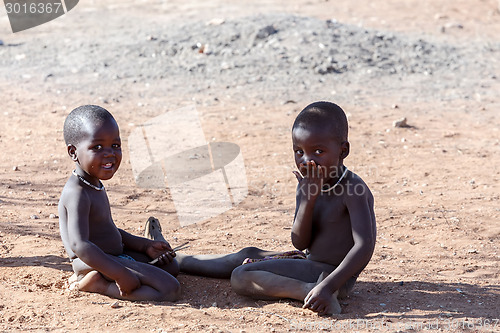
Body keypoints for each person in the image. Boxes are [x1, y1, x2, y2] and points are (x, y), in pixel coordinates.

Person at [175, 101, 376, 315]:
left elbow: (364, 246)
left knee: (241, 276)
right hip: (308, 263)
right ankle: (178, 261)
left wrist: (328, 286)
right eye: (299, 152)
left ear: (343, 150)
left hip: (333, 277)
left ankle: (309, 291)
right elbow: (300, 242)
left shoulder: (353, 188)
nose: (307, 161)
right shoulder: (307, 186)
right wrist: (308, 199)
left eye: (318, 151)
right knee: (247, 254)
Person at [58, 105, 180, 301]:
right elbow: (80, 245)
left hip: (111, 256)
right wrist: (120, 274)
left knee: (170, 266)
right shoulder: (77, 193)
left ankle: (109, 276)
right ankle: (99, 285)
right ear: (73, 152)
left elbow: (107, 230)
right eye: (97, 147)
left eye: (115, 146)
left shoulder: (92, 183)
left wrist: (144, 246)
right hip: (91, 262)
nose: (109, 154)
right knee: (169, 289)